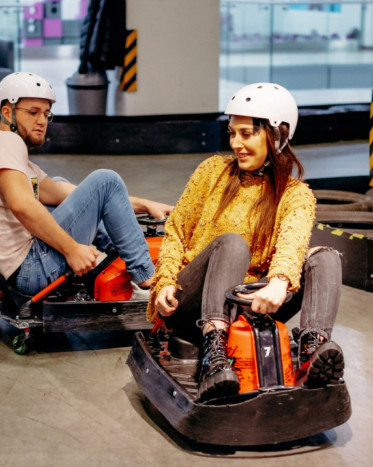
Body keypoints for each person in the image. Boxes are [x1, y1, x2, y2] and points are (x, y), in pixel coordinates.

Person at [147, 83, 344, 402]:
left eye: (246, 134)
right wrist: (165, 281)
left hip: (249, 304)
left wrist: (280, 280)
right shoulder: (212, 171)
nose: (235, 143)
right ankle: (213, 353)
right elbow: (176, 231)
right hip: (191, 304)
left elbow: (293, 242)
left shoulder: (296, 195)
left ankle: (313, 350)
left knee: (325, 257)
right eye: (232, 133)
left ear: (277, 135)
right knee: (233, 243)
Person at [0, 72, 173, 298]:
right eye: (32, 112)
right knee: (107, 179)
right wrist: (72, 250)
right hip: (29, 270)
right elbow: (21, 204)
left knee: (63, 185)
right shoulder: (7, 141)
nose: (42, 121)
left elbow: (63, 192)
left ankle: (117, 257)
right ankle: (147, 279)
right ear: (6, 112)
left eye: (46, 114)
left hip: (13, 272)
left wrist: (143, 204)